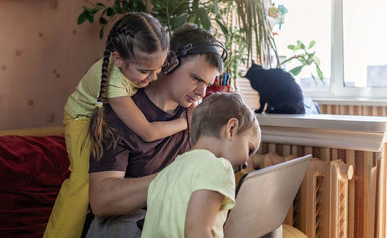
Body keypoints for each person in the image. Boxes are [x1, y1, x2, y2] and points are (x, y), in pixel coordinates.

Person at [44, 12, 188, 238]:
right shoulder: (114, 81)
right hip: (81, 118)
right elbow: (147, 132)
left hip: (102, 114)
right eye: (144, 71)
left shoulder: (145, 66)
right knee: (82, 183)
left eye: (158, 69)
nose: (152, 78)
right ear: (118, 59)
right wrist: (186, 121)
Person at [86, 23, 225, 237]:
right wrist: (171, 177)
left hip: (170, 214)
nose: (201, 92)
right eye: (196, 79)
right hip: (123, 222)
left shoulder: (194, 115)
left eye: (207, 84)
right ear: (169, 63)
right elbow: (101, 200)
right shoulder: (120, 113)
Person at [142, 92, 261, 238]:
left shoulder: (168, 171)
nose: (246, 163)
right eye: (249, 149)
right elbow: (197, 232)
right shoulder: (218, 167)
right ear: (231, 129)